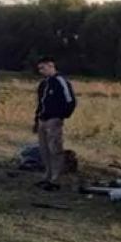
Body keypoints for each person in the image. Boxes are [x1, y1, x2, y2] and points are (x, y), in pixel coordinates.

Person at [33, 56, 76, 191]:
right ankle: (47, 175)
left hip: (54, 119)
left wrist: (61, 116)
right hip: (42, 119)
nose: (41, 71)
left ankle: (55, 179)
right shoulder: (43, 84)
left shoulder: (60, 81)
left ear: (51, 66)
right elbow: (40, 103)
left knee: (55, 149)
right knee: (44, 149)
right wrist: (36, 119)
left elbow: (70, 101)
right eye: (39, 69)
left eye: (43, 68)